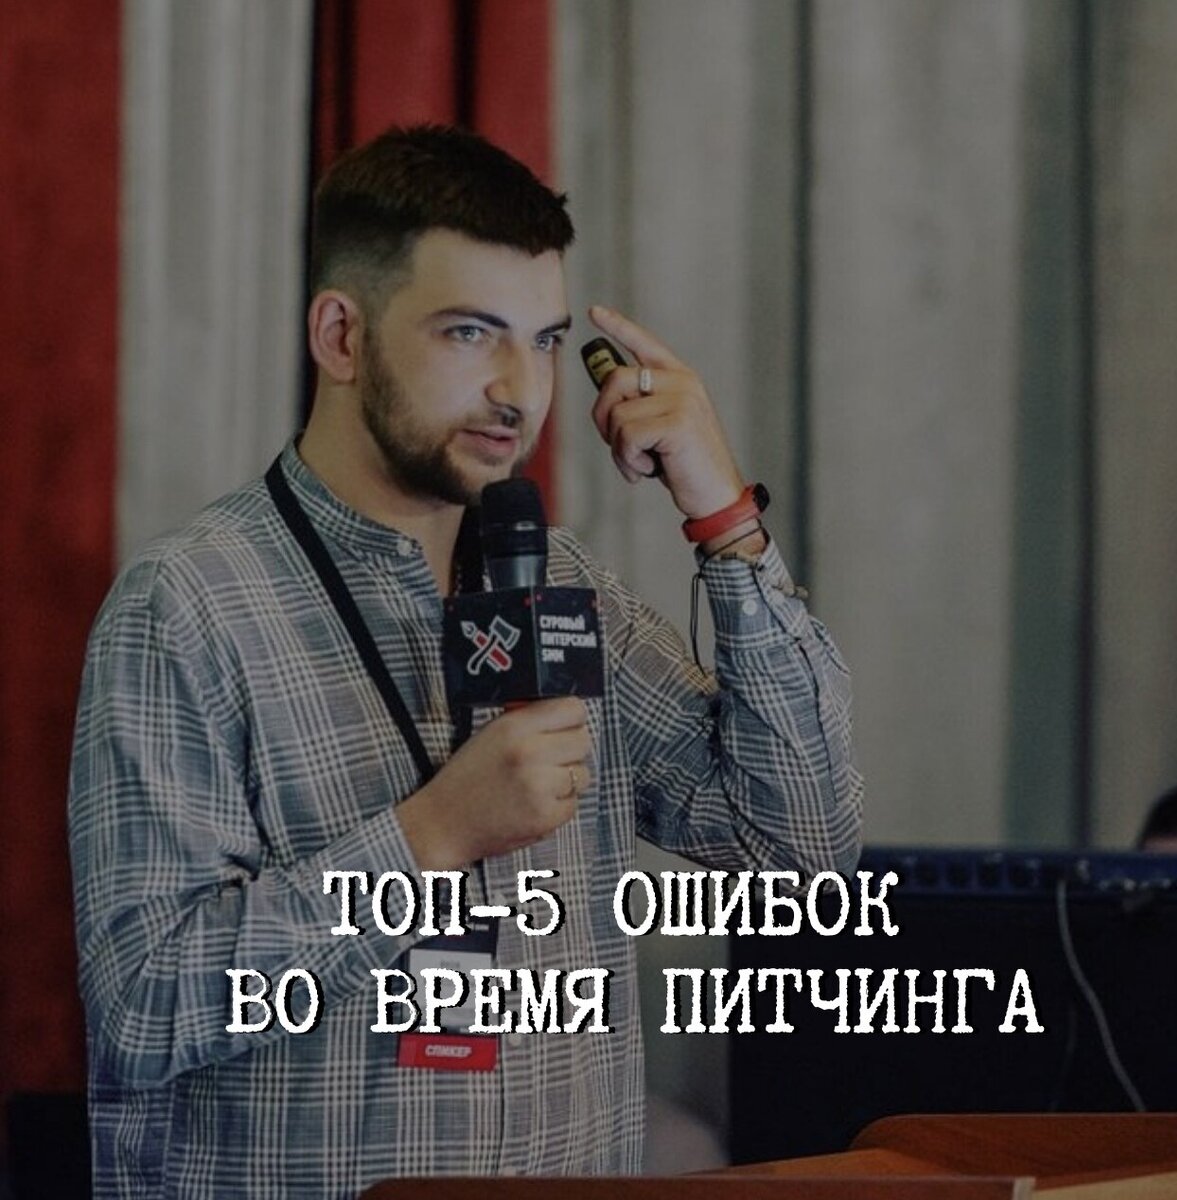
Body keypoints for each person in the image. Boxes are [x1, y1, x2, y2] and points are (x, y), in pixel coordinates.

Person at [69, 124, 862, 1197]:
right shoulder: (188, 606)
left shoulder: (566, 586)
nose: (518, 390)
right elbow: (142, 1005)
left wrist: (724, 518)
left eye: (543, 343)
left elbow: (801, 852)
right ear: (341, 336)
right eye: (470, 334)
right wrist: (430, 838)